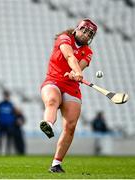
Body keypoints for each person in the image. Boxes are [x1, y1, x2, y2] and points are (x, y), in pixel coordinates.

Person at [39, 18, 97, 173]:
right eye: (84, 30)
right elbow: (70, 57)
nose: (86, 35)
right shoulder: (64, 38)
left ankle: (56, 164)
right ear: (76, 29)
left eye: (89, 33)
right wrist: (77, 71)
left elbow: (80, 66)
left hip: (71, 87)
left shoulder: (88, 52)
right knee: (52, 100)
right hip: (53, 80)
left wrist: (75, 73)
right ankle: (48, 125)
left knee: (70, 126)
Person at [0, 90, 16, 155]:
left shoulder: (11, 105)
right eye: (5, 95)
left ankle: (8, 152)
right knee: (0, 138)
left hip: (9, 125)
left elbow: (14, 114)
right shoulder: (0, 104)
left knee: (9, 139)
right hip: (1, 124)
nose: (6, 97)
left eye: (7, 96)